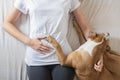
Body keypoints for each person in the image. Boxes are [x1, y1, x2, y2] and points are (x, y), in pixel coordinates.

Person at [2, 0, 103, 80]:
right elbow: (6, 24)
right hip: (36, 59)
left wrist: (97, 55)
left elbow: (86, 29)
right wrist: (30, 42)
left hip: (64, 59)